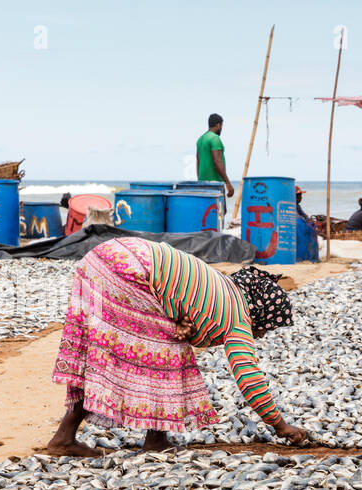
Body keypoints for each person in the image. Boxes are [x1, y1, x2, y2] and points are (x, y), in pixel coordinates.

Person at [47, 237, 310, 456]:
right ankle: (155, 440)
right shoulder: (238, 318)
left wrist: (181, 323)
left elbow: (176, 295)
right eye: (266, 328)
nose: (261, 335)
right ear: (261, 313)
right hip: (129, 269)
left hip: (104, 256)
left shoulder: (224, 287)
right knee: (168, 355)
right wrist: (281, 426)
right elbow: (248, 378)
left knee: (101, 356)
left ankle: (64, 438)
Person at [196, 113, 235, 202]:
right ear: (218, 125)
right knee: (218, 213)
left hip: (202, 183)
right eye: (221, 126)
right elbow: (217, 161)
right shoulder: (214, 138)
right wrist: (228, 183)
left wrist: (200, 180)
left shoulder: (200, 139)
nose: (221, 128)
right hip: (214, 183)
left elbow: (198, 162)